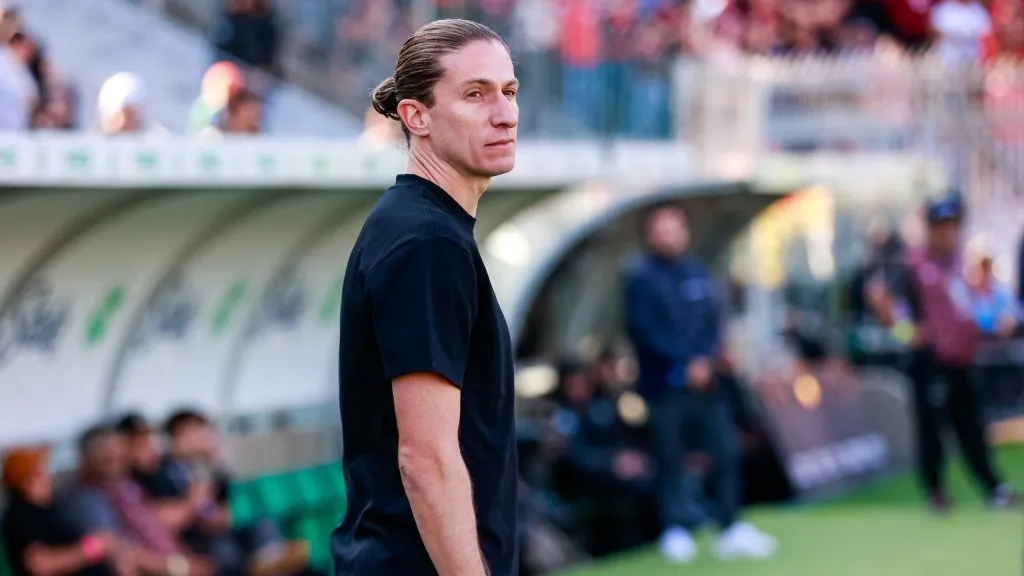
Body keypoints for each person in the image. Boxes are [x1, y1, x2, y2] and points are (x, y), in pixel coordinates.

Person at [333, 18, 519, 576]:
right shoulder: (425, 241)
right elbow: (425, 457)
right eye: (475, 94)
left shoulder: (426, 229)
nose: (505, 113)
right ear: (416, 116)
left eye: (509, 92)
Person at [623, 204, 778, 564]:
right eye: (663, 229)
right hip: (664, 386)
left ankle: (729, 526)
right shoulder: (640, 277)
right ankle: (675, 529)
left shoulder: (697, 271)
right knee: (670, 456)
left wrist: (706, 360)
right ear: (651, 234)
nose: (671, 235)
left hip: (707, 384)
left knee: (725, 449)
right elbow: (644, 330)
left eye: (676, 228)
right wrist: (684, 362)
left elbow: (713, 320)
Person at [866, 196, 1016, 512]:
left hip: (962, 358)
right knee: (932, 429)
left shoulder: (965, 263)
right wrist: (905, 331)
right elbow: (877, 295)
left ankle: (993, 488)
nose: (946, 233)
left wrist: (995, 322)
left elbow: (979, 306)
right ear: (930, 228)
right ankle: (935, 492)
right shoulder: (913, 264)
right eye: (940, 226)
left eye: (951, 225)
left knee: (972, 426)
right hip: (930, 360)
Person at [1, 447, 129, 576]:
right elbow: (40, 564)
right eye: (41, 473)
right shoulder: (22, 514)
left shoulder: (47, 508)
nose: (48, 478)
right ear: (25, 481)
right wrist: (94, 547)